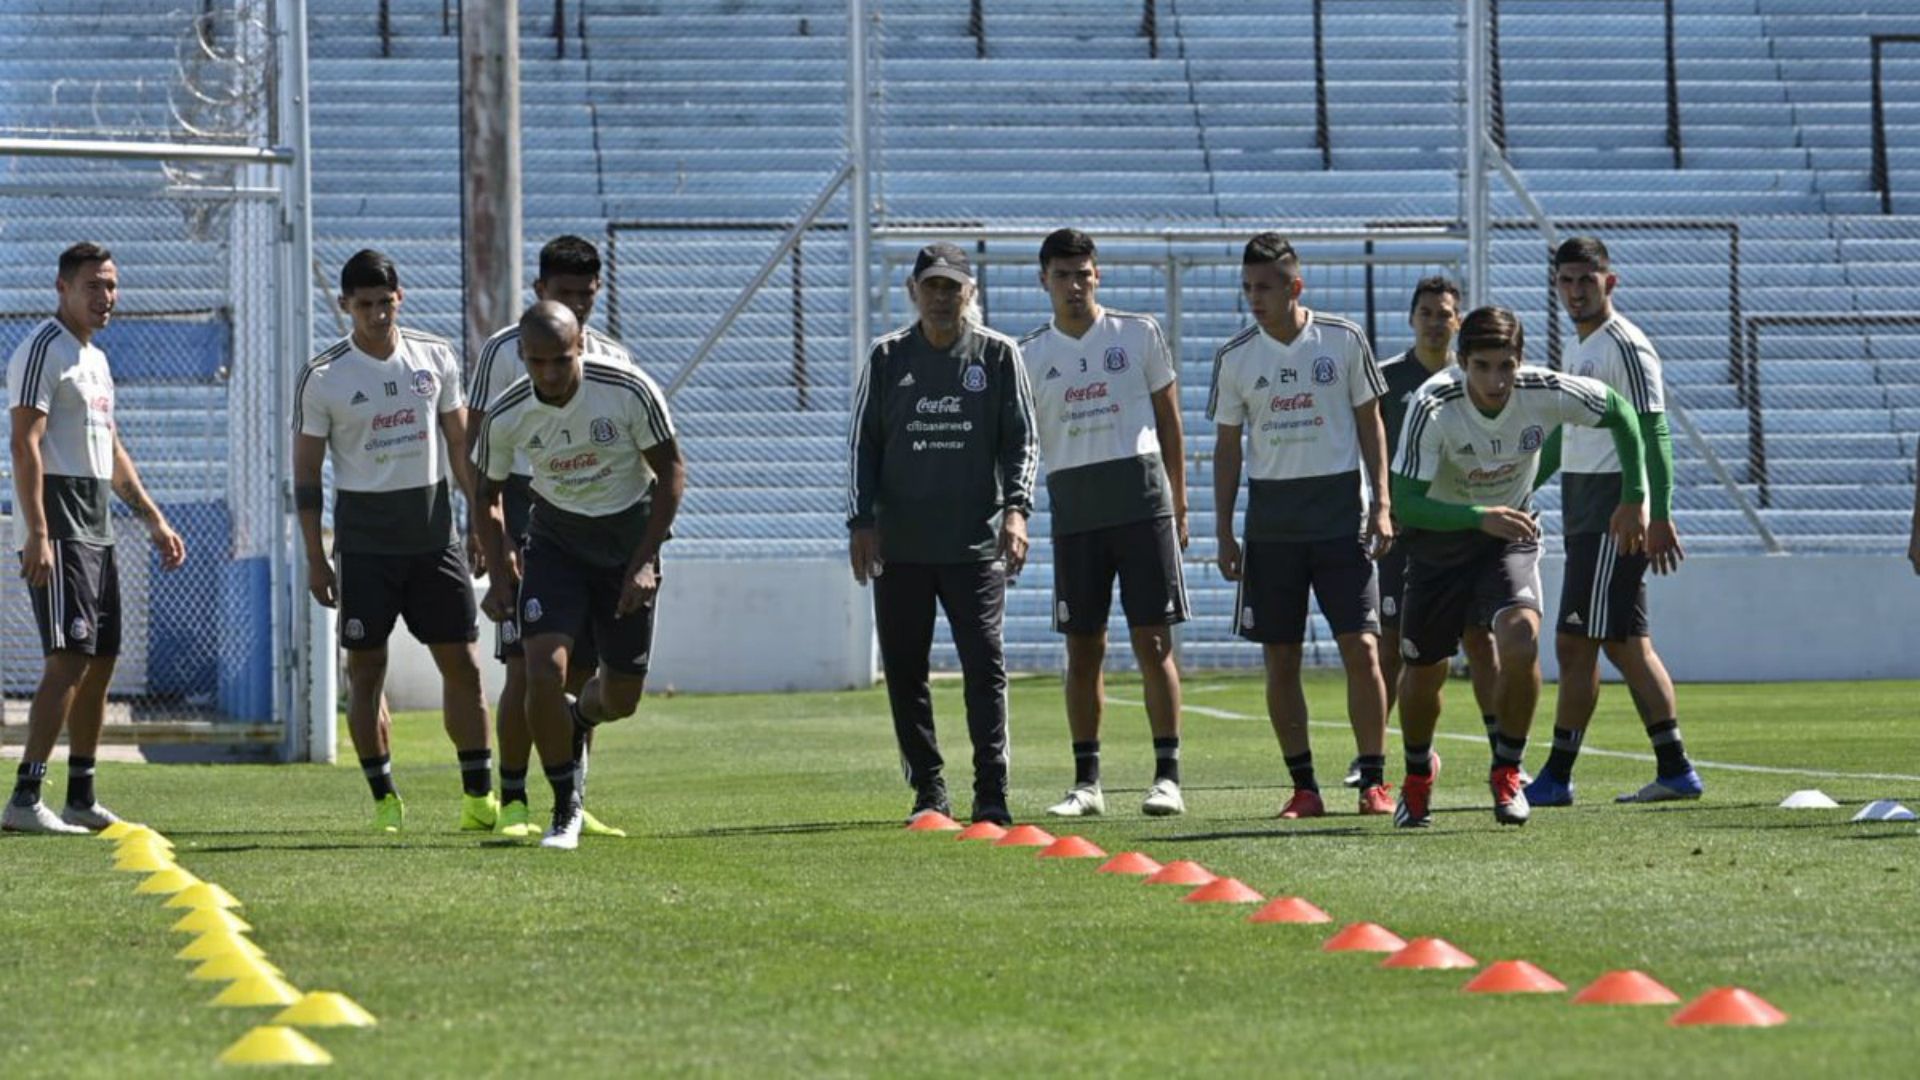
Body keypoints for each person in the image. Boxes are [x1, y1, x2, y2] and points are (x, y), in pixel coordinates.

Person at [1390, 305, 1646, 828]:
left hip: (1510, 537)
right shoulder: (1431, 402)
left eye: (1505, 366)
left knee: (1521, 638)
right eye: (1482, 366)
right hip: (1439, 543)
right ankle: (1417, 776)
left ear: (1519, 360)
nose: (1495, 380)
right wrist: (1477, 516)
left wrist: (1636, 495)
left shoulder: (1544, 389)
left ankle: (1507, 771)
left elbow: (1621, 411)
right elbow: (1406, 504)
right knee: (1423, 674)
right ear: (1462, 363)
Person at [293, 249, 492, 834]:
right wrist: (314, 556)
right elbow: (306, 475)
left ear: (399, 298)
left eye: (386, 303)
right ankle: (383, 795)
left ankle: (479, 796)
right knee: (367, 670)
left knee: (464, 665)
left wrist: (479, 521)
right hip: (364, 548)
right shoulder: (325, 376)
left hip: (434, 539)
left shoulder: (434, 356)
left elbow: (460, 448)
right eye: (365, 306)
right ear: (346, 306)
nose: (377, 315)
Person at [474, 301, 682, 850]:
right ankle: (565, 807)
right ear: (522, 356)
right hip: (555, 544)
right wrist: (498, 574)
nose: (549, 374)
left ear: (580, 346)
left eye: (560, 360)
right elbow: (486, 496)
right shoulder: (508, 411)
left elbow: (672, 474)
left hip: (624, 550)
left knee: (620, 699)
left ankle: (579, 714)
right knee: (542, 670)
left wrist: (643, 561)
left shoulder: (629, 390)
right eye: (537, 362)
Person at [847, 242, 1036, 826]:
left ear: (969, 293)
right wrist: (861, 523)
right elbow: (863, 447)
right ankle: (929, 789)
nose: (940, 297)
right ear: (913, 291)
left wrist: (1017, 510)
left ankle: (992, 790)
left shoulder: (999, 356)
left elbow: (1022, 441)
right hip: (902, 547)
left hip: (973, 544)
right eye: (931, 285)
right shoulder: (885, 358)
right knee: (906, 669)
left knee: (985, 664)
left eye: (951, 286)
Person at [1208, 232, 1395, 819]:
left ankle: (1373, 780)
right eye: (1247, 288)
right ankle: (1304, 787)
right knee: (1280, 660)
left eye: (1266, 287)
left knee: (1363, 648)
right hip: (1272, 527)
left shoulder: (1342, 340)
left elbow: (1372, 424)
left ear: (1296, 286)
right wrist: (1223, 530)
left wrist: (1381, 503)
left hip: (1340, 519)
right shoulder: (1236, 357)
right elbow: (1227, 449)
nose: (1255, 299)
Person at [3, 242, 186, 834]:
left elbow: (112, 452)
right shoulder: (42, 350)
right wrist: (36, 532)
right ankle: (26, 798)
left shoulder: (97, 360)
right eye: (93, 286)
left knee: (101, 659)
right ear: (62, 288)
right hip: (58, 524)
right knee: (68, 658)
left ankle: (81, 793)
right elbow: (23, 444)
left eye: (111, 285)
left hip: (98, 527)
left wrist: (153, 518)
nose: (105, 297)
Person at [1017, 228, 1190, 818]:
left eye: (1083, 273)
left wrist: (1181, 504)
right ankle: (1087, 783)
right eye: (1062, 275)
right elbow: (1021, 443)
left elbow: (1170, 423)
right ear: (1044, 280)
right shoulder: (1029, 354)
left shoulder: (1138, 334)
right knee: (1083, 648)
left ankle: (1167, 776)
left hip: (1142, 507)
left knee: (1154, 641)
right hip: (1076, 515)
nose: (1074, 284)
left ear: (1099, 276)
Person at [1525, 236, 1701, 807]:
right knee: (1627, 646)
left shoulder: (1623, 346)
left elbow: (1654, 429)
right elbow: (1566, 438)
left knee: (1575, 644)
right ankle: (1675, 769)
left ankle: (1556, 775)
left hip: (1610, 514)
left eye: (1586, 280)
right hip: (1588, 509)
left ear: (1610, 282)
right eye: (1566, 281)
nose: (1576, 291)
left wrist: (1654, 508)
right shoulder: (1581, 347)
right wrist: (1519, 486)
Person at [467, 235, 632, 839]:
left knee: (579, 672)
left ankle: (572, 795)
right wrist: (486, 537)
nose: (577, 305)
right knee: (523, 666)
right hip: (519, 513)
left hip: (585, 521)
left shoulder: (613, 356)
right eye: (564, 294)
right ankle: (512, 800)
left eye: (586, 295)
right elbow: (478, 449)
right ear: (539, 292)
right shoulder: (504, 351)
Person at [1347, 277, 1501, 788]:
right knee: (1392, 645)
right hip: (1406, 532)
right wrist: (1379, 510)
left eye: (1446, 313)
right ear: (1412, 319)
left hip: (1465, 531)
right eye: (1428, 312)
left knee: (1480, 640)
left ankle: (1504, 750)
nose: (1437, 321)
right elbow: (1374, 453)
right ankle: (1377, 752)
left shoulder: (1475, 379)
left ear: (1459, 322)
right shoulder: (1388, 379)